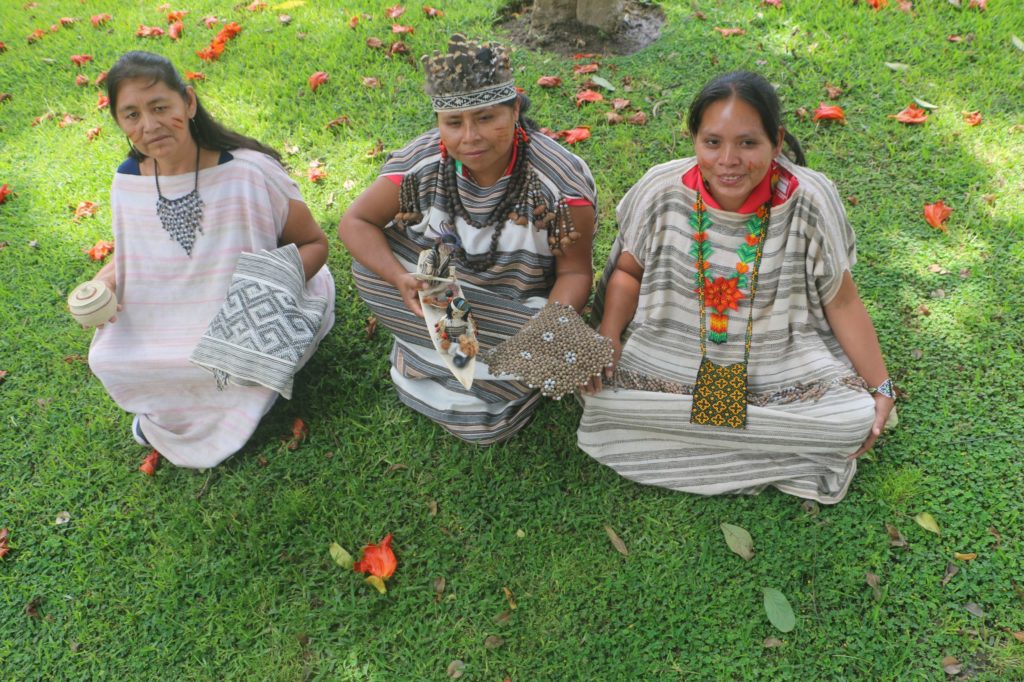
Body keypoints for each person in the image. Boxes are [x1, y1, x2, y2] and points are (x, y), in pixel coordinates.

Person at [578, 71, 895, 504]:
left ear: (776, 141)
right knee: (601, 402)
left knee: (849, 421)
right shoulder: (661, 189)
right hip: (672, 353)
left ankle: (703, 439)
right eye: (712, 142)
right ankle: (763, 443)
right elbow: (628, 273)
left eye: (748, 143)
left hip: (782, 358)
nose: (728, 160)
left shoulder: (811, 200)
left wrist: (882, 388)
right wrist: (609, 335)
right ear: (694, 139)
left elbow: (840, 300)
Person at [339, 35, 597, 444]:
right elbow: (355, 222)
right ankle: (470, 368)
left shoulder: (559, 186)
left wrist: (542, 335)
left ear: (515, 109)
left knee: (572, 360)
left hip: (518, 305)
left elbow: (577, 272)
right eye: (454, 123)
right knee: (369, 269)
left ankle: (460, 366)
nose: (470, 137)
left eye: (486, 117)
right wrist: (398, 278)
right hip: (435, 293)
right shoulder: (423, 162)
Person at [86, 51, 335, 468]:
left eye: (160, 107)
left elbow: (314, 244)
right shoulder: (127, 180)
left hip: (257, 303)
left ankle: (215, 407)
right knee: (109, 356)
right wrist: (107, 280)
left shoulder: (249, 172)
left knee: (233, 358)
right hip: (170, 310)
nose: (149, 125)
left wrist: (259, 302)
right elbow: (134, 253)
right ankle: (207, 404)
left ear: (189, 101)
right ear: (119, 123)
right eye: (131, 115)